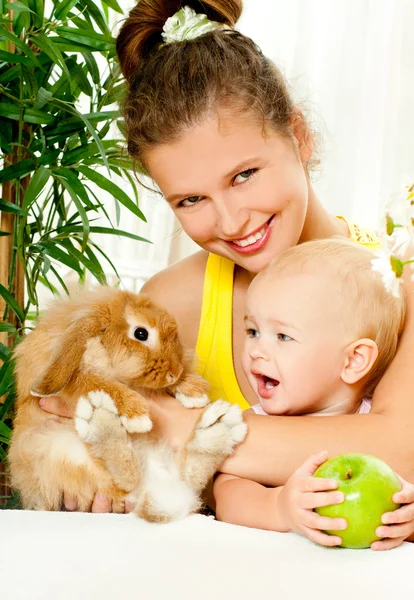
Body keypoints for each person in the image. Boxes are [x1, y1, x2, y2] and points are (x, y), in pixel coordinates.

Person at [39, 1, 414, 547]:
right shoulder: (171, 305)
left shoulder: (398, 287)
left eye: (243, 175)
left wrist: (167, 423)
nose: (232, 222)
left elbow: (402, 448)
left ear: (298, 135)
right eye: (191, 199)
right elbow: (103, 451)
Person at [213, 237, 414, 549]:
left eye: (283, 336)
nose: (256, 351)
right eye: (252, 331)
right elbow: (227, 498)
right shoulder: (254, 424)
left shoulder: (380, 432)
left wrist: (404, 517)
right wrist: (279, 506)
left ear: (353, 360)